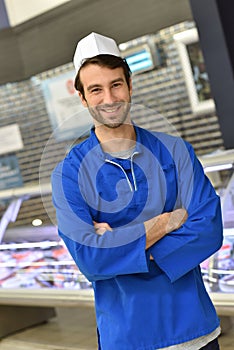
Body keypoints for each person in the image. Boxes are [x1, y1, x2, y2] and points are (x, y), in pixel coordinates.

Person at [51, 32, 223, 350]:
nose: (109, 98)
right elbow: (91, 259)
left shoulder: (177, 151)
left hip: (195, 331)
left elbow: (209, 230)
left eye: (116, 84)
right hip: (127, 337)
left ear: (130, 85)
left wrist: (119, 243)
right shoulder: (69, 174)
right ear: (82, 98)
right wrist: (166, 222)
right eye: (96, 90)